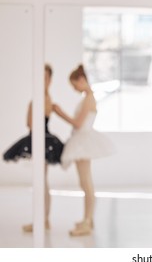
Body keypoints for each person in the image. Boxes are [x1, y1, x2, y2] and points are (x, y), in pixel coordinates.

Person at [53, 64, 114, 236]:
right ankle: (88, 218)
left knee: (86, 182)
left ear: (81, 80)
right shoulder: (87, 97)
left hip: (83, 140)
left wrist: (60, 113)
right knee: (85, 182)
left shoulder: (88, 99)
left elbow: (78, 123)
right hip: (82, 140)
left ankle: (87, 221)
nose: (74, 89)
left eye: (74, 85)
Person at [3, 64, 64, 232]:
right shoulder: (39, 98)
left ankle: (42, 220)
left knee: (41, 182)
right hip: (37, 138)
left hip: (41, 139)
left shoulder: (42, 98)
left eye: (44, 77)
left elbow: (30, 122)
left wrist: (31, 108)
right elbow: (29, 121)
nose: (41, 81)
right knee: (41, 181)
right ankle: (42, 219)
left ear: (50, 80)